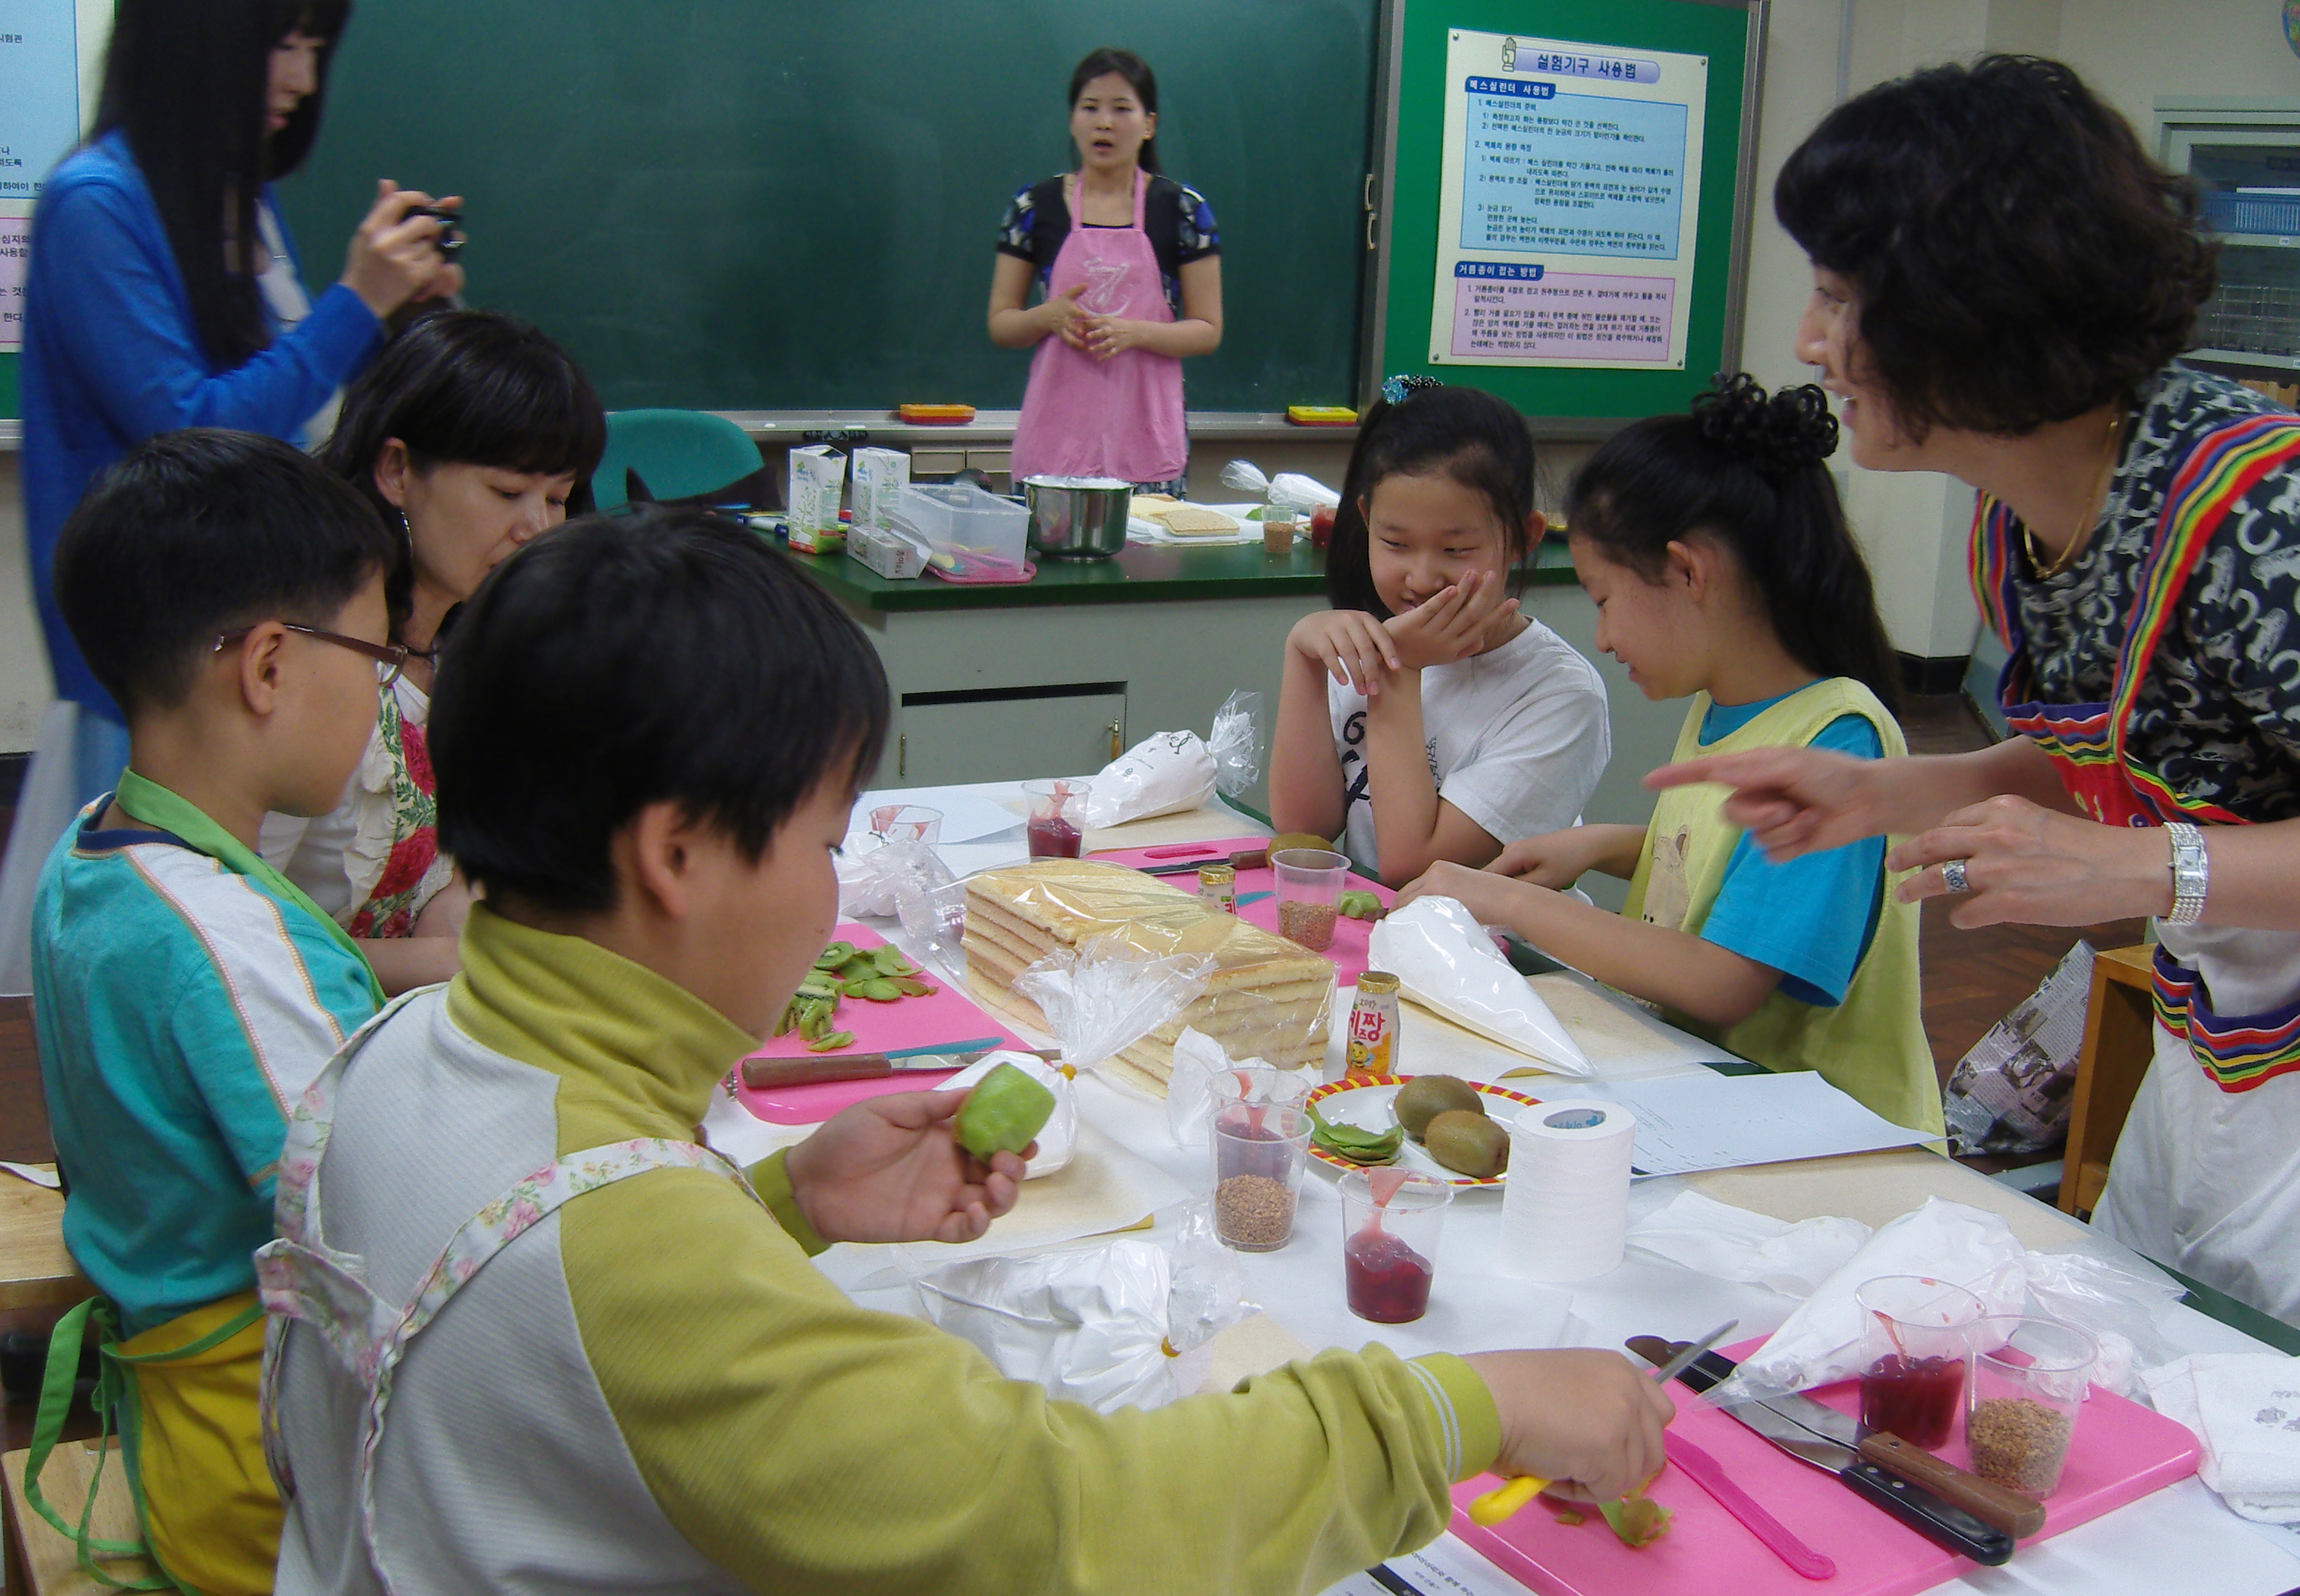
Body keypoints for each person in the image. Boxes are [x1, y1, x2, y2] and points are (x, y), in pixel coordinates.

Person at [260, 508, 1675, 1593]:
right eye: (823, 845)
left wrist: (776, 1204)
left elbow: (546, 1340)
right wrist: (1456, 1405)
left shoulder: (402, 1051)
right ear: (676, 852)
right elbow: (1057, 1520)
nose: (829, 897)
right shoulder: (631, 1252)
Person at [1658, 56, 2300, 1340]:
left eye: (1836, 294)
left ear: (1964, 303)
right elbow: (2118, 762)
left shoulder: (2271, 518)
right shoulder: (2022, 532)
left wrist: (2142, 872)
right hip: (2226, 1057)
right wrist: (1885, 792)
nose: (1805, 340)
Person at [0, 0, 458, 997]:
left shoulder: (223, 198)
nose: (301, 83)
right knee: (163, 949)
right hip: (163, 646)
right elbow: (190, 430)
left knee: (240, 928)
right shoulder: (98, 203)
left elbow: (283, 399)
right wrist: (356, 304)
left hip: (252, 626)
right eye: (280, 47)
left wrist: (385, 325)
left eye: (314, 51)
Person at [25, 430, 401, 1594]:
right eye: (378, 659)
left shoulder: (93, 853)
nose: (383, 693)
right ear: (272, 667)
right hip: (270, 1487)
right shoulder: (225, 947)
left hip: (193, 1419)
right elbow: (385, 1234)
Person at [1392, 376, 1941, 1136]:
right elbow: (1730, 860)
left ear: (1687, 571)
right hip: (1712, 1108)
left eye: (1604, 598)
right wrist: (1609, 845)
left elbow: (1725, 978)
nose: (1605, 638)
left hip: (1831, 1144)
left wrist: (1514, 904)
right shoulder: (1723, 704)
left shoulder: (1839, 740)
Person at [254, 310, 605, 995]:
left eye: (557, 497)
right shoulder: (315, 661)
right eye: (507, 492)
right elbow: (240, 938)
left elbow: (455, 870)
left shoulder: (469, 642)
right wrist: (463, 965)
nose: (536, 528)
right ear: (396, 471)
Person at [1270, 378, 1609, 887]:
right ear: (1366, 521)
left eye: (1455, 551)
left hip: (1503, 957)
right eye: (1395, 542)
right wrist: (1304, 657)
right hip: (1384, 950)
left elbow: (1414, 869)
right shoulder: (1379, 640)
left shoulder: (1560, 695)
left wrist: (1401, 670)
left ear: (1522, 538)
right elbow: (1304, 830)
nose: (1423, 577)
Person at [988, 47, 1222, 494]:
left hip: (1146, 442)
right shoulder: (1033, 207)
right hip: (1054, 448)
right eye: (1090, 108)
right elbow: (1002, 323)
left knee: (1148, 563)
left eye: (1122, 109)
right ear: (1073, 119)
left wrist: (1134, 333)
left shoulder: (1183, 211)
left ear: (1149, 124)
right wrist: (1046, 317)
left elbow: (1207, 330)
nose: (1105, 123)